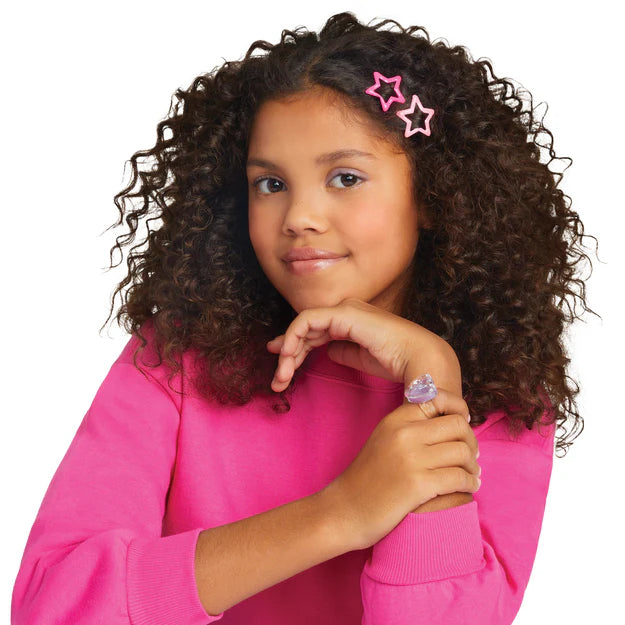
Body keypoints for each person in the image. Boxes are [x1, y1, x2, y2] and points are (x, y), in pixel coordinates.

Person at [11, 11, 596, 625]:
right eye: (270, 184)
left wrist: (431, 377)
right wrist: (339, 514)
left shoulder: (499, 391)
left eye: (345, 178)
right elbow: (53, 607)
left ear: (432, 195)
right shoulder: (175, 357)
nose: (298, 217)